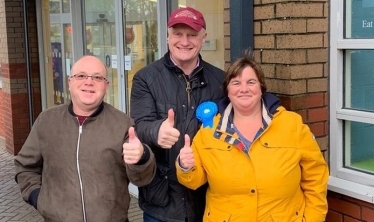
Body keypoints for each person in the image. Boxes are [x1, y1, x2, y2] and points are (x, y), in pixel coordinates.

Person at [176, 50, 329, 222]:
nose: (244, 89)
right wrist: (185, 166)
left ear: (261, 88)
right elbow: (194, 181)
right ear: (227, 90)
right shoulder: (209, 131)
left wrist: (314, 218)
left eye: (251, 82)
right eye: (236, 83)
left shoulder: (291, 124)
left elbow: (316, 175)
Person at [14, 56, 156, 222]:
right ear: (70, 82)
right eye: (81, 76)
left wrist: (142, 157)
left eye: (97, 77)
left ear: (106, 86)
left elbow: (141, 178)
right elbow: (24, 166)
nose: (89, 82)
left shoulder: (123, 124)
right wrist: (38, 198)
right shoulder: (47, 121)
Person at [130, 6, 225, 222]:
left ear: (203, 38)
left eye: (192, 35)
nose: (184, 41)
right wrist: (156, 131)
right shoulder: (146, 78)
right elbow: (140, 125)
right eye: (178, 34)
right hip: (162, 202)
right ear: (167, 36)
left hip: (206, 199)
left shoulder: (220, 80)